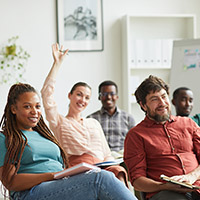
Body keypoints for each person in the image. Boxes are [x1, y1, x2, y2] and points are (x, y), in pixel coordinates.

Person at [0, 82, 137, 200]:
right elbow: (10, 182)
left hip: (58, 184)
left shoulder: (44, 135)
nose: (34, 111)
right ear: (13, 109)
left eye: (37, 106)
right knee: (101, 179)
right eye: (27, 106)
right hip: (31, 192)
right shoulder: (6, 138)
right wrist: (51, 176)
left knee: (104, 178)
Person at [41, 44, 130, 187]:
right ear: (70, 95)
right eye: (79, 95)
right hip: (79, 170)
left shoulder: (93, 123)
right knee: (101, 178)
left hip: (103, 166)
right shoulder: (59, 122)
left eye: (87, 97)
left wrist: (112, 162)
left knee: (118, 172)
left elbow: (106, 153)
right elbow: (46, 94)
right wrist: (57, 64)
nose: (82, 100)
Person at [124, 75, 200, 200]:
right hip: (166, 194)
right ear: (143, 105)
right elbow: (137, 181)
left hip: (197, 186)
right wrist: (164, 186)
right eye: (154, 99)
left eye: (164, 97)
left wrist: (192, 176)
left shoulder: (188, 124)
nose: (162, 103)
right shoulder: (136, 135)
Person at [87, 80, 135, 155]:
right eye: (104, 94)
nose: (108, 97)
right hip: (101, 159)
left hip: (122, 158)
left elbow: (134, 143)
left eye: (112, 94)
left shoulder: (128, 118)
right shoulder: (91, 119)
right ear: (99, 97)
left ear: (117, 96)